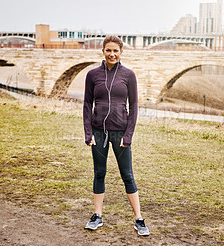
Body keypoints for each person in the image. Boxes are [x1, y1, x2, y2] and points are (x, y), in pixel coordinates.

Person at [83, 35, 149, 236]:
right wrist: (88, 133)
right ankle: (97, 216)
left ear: (121, 52)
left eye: (116, 51)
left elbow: (134, 106)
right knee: (99, 173)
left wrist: (128, 135)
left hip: (120, 133)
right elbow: (87, 105)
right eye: (108, 50)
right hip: (98, 133)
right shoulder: (92, 75)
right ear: (103, 51)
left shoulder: (128, 75)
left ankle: (139, 219)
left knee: (127, 175)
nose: (112, 54)